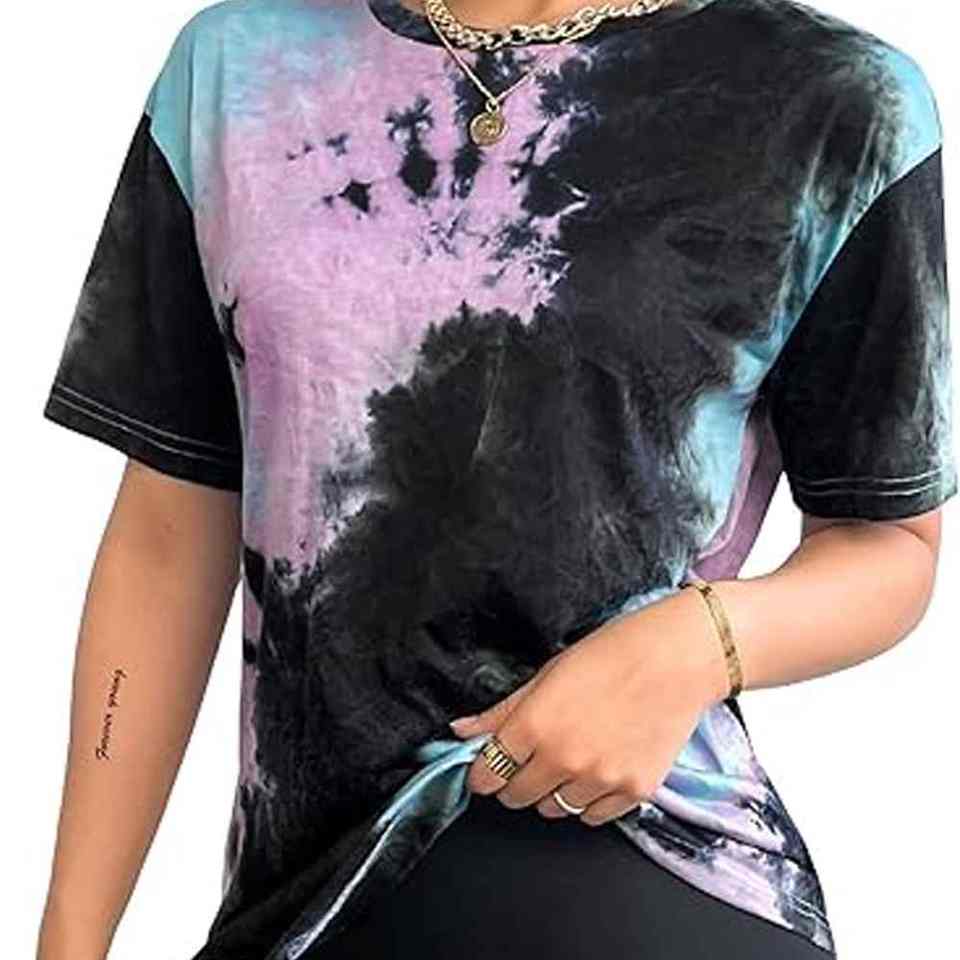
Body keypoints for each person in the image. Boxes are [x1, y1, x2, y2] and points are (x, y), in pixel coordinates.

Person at [35, 0, 955, 958]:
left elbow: (888, 542)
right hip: (309, 901)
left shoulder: (835, 98)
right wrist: (69, 938)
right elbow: (167, 540)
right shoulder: (237, 70)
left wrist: (694, 643)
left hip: (656, 875)